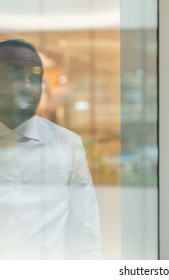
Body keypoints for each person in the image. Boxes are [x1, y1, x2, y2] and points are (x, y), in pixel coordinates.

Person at [0, 39, 101, 259]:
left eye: (35, 77)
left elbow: (86, 243)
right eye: (12, 75)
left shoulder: (67, 146)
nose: (27, 86)